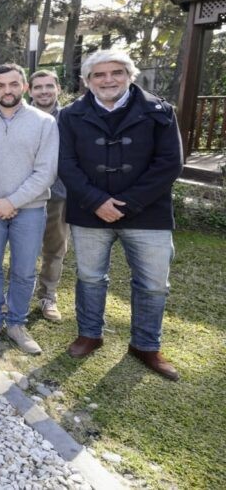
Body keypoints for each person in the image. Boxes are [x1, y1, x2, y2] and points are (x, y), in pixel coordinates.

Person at [58, 50, 183, 380]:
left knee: (153, 284)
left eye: (116, 72)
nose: (108, 80)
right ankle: (90, 334)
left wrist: (127, 203)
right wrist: (96, 201)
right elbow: (65, 163)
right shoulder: (70, 115)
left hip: (148, 214)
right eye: (99, 75)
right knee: (90, 277)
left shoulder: (160, 112)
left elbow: (170, 163)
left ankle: (146, 345)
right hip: (89, 213)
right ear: (87, 81)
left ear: (130, 75)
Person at [0, 64, 58, 354]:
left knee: (24, 269)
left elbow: (46, 171)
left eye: (13, 84)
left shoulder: (44, 122)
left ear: (24, 87)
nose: (7, 90)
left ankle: (17, 323)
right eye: (1, 85)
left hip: (30, 209)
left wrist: (13, 202)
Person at [28, 70, 68, 322]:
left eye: (49, 86)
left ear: (58, 89)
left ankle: (48, 295)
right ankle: (19, 294)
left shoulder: (70, 118)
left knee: (54, 247)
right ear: (30, 90)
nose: (44, 91)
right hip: (25, 194)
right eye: (38, 87)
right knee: (22, 248)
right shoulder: (21, 116)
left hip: (58, 192)